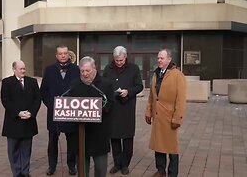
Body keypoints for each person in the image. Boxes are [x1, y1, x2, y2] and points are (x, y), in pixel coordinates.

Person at [68, 56, 114, 177]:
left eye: (87, 71)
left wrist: (96, 108)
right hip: (81, 134)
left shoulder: (106, 84)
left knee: (100, 169)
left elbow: (111, 104)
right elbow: (69, 102)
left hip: (99, 133)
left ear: (95, 69)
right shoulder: (74, 84)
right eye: (82, 71)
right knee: (82, 171)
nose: (85, 74)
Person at [145, 49, 187, 177]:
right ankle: (161, 170)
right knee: (159, 145)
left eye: (162, 58)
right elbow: (152, 96)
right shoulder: (156, 74)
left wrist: (177, 118)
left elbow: (181, 99)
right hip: (158, 117)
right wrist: (148, 111)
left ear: (169, 59)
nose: (159, 60)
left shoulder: (177, 75)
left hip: (170, 118)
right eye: (158, 58)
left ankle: (172, 173)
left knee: (172, 148)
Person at [103, 46, 143, 175]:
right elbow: (103, 85)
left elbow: (139, 86)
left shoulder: (134, 68)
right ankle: (117, 164)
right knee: (114, 139)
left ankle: (125, 164)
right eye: (116, 60)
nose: (119, 62)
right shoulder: (108, 69)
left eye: (121, 60)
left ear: (125, 57)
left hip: (127, 109)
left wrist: (128, 92)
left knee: (127, 140)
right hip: (113, 109)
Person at [40, 45, 80, 176]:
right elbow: (44, 91)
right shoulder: (49, 70)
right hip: (54, 113)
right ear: (56, 56)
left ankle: (71, 165)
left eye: (65, 53)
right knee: (52, 142)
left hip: (71, 113)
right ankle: (52, 166)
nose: (63, 56)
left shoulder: (76, 69)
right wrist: (52, 105)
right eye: (60, 54)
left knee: (72, 142)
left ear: (68, 55)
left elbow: (80, 89)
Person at [0, 60, 41, 177]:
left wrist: (31, 113)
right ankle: (16, 173)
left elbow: (37, 99)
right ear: (14, 69)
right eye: (20, 69)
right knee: (13, 150)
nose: (23, 71)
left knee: (26, 149)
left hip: (28, 121)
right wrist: (18, 113)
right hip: (13, 122)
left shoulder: (32, 82)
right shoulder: (7, 82)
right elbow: (5, 101)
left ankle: (25, 172)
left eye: (24, 68)